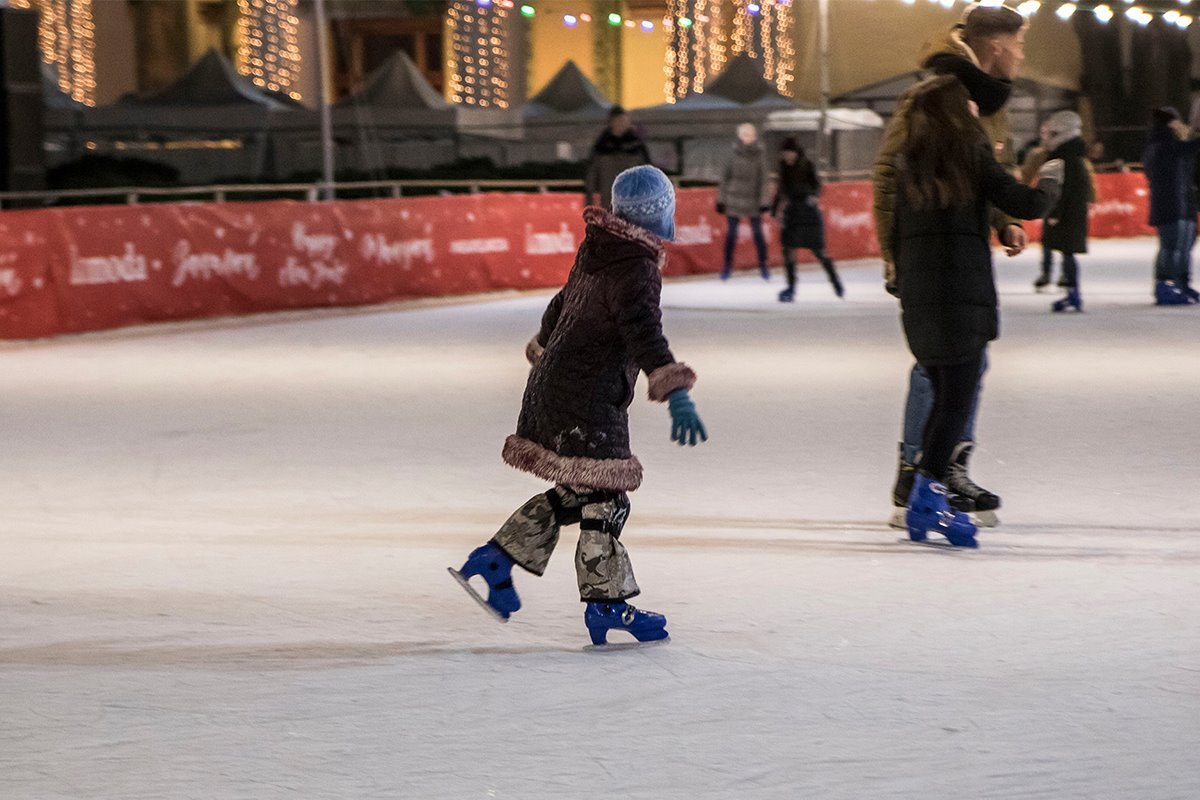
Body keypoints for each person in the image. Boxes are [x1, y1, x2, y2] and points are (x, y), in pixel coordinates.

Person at [450, 165, 707, 648]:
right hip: (587, 398)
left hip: (559, 386)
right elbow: (643, 333)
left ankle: (495, 559)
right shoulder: (635, 266)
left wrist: (545, 349)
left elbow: (560, 304)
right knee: (607, 500)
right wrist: (676, 391)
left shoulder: (601, 247)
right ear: (660, 215)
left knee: (580, 493)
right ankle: (605, 604)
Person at [873, 2, 1028, 529]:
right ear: (996, 46)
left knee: (965, 363)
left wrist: (1003, 216)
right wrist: (892, 254)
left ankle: (945, 468)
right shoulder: (940, 89)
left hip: (955, 249)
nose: (1023, 57)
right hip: (931, 254)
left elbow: (983, 167)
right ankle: (918, 474)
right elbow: (890, 172)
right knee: (938, 368)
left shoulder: (981, 93)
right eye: (1020, 46)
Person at [893, 75, 1061, 547]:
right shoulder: (971, 156)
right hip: (962, 299)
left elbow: (897, 232)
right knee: (953, 405)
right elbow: (1023, 202)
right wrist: (1050, 181)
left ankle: (924, 502)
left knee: (942, 403)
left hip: (922, 301)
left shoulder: (910, 166)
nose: (973, 109)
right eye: (965, 103)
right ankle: (928, 502)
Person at [771, 137, 844, 301]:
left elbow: (817, 185)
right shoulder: (782, 168)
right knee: (788, 251)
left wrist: (813, 197)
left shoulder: (806, 164)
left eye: (790, 153)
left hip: (808, 213)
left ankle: (835, 282)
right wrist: (774, 210)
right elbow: (781, 191)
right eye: (785, 154)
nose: (787, 156)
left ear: (796, 153)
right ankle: (790, 287)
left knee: (819, 252)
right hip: (792, 214)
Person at [1143, 106, 1200, 305]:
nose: (1179, 124)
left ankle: (1179, 283)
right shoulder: (1163, 144)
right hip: (1170, 204)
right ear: (1168, 123)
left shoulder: (1166, 143)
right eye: (1176, 121)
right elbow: (1189, 148)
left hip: (1180, 203)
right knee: (1170, 247)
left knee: (1181, 246)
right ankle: (1165, 285)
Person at [1039, 110, 1093, 313]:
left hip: (1067, 214)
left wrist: (1054, 213)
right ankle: (1072, 291)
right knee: (1066, 253)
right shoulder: (1074, 156)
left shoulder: (1064, 157)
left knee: (1067, 253)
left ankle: (1073, 293)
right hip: (1073, 212)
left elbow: (1063, 189)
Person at [717, 123, 771, 281]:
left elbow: (763, 180)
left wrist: (763, 201)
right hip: (734, 198)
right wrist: (721, 199)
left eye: (750, 135)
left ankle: (763, 266)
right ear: (740, 136)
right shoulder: (732, 154)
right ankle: (727, 267)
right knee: (732, 235)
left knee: (758, 234)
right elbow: (724, 178)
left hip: (753, 200)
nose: (748, 138)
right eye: (745, 134)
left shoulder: (759, 155)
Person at [584, 106, 651, 210]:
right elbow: (592, 173)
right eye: (619, 121)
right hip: (609, 199)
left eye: (624, 121)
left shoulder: (636, 146)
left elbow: (648, 173)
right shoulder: (602, 146)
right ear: (611, 122)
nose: (622, 124)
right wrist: (589, 198)